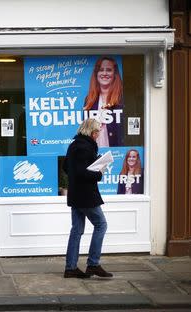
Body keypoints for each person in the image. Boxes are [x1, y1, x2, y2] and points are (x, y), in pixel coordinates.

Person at [63, 118, 113, 279]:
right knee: (101, 224)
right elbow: (81, 172)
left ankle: (71, 268)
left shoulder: (74, 145)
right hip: (86, 195)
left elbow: (66, 167)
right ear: (92, 132)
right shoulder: (84, 147)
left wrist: (94, 162)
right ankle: (93, 264)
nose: (98, 134)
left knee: (76, 230)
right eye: (97, 131)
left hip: (76, 194)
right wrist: (99, 172)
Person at [83, 56, 124, 147]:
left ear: (115, 74)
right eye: (101, 70)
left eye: (109, 70)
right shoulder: (89, 100)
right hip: (93, 150)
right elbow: (84, 131)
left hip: (116, 150)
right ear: (96, 73)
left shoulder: (121, 99)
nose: (104, 73)